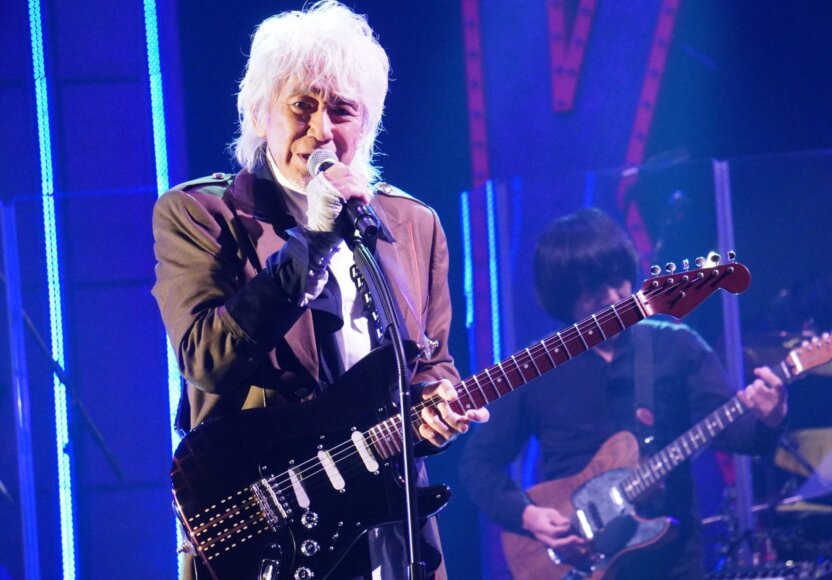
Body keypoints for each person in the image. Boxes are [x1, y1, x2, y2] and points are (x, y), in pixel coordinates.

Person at [151, 2, 487, 578]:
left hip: (389, 529)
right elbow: (206, 359)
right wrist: (312, 239)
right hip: (265, 530)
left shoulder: (414, 224)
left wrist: (436, 409)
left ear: (368, 123)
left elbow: (430, 365)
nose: (322, 131)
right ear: (260, 114)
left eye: (342, 110)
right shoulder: (204, 214)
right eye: (301, 106)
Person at [460, 208, 787, 579]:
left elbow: (740, 436)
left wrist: (770, 416)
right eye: (595, 288)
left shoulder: (676, 346)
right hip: (573, 562)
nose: (613, 297)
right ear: (564, 294)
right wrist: (527, 514)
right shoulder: (539, 365)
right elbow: (479, 463)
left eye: (619, 281)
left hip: (672, 563)